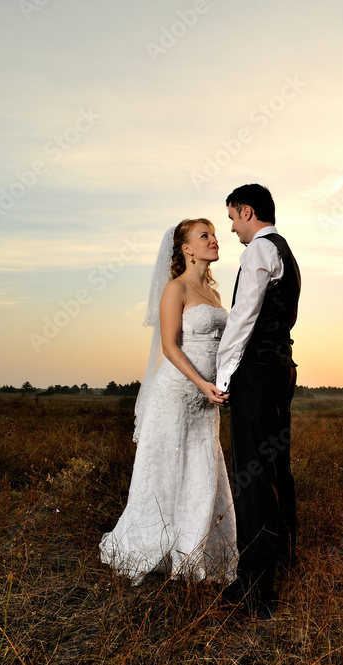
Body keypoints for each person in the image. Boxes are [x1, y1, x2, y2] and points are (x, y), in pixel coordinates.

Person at [99, 219, 237, 584]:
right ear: (186, 249)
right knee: (166, 473)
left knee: (202, 474)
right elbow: (170, 346)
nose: (214, 240)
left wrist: (221, 382)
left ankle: (193, 558)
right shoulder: (175, 289)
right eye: (204, 236)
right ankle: (149, 548)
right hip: (177, 396)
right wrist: (202, 384)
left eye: (214, 234)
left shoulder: (215, 296)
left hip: (206, 403)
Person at [216, 184, 301, 619]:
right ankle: (284, 561)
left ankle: (256, 591)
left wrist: (223, 373)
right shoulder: (285, 251)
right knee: (275, 470)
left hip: (256, 371)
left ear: (247, 211)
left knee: (250, 478)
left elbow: (243, 315)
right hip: (282, 367)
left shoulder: (258, 251)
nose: (231, 228)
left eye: (232, 217)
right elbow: (284, 316)